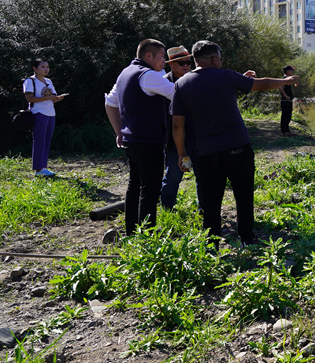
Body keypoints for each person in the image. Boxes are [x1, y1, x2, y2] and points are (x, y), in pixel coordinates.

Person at [171, 41, 300, 247]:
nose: (221, 61)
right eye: (220, 58)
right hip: (237, 148)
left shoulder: (181, 84)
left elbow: (178, 125)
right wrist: (286, 80)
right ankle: (246, 238)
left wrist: (181, 154)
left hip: (205, 153)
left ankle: (211, 244)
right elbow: (264, 84)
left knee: (211, 199)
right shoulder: (227, 76)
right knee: (243, 193)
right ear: (214, 59)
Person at [105, 39, 175, 236]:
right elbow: (177, 94)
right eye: (162, 56)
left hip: (131, 141)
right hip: (147, 141)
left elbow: (110, 103)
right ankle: (146, 238)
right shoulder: (148, 75)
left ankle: (132, 233)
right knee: (150, 190)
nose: (165, 61)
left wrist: (119, 132)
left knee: (134, 187)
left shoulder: (125, 73)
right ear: (148, 55)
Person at [160, 46, 199, 210]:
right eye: (181, 63)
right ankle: (167, 209)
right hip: (174, 140)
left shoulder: (196, 80)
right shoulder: (162, 83)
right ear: (171, 64)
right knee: (172, 177)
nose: (186, 66)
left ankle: (204, 210)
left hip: (198, 136)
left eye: (188, 62)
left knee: (203, 176)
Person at [24, 59, 66, 177]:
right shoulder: (30, 81)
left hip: (51, 113)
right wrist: (48, 98)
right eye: (43, 67)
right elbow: (30, 98)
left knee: (47, 141)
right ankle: (38, 169)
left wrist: (57, 98)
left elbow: (52, 97)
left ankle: (43, 167)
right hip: (38, 113)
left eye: (47, 67)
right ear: (35, 69)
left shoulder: (48, 81)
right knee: (39, 141)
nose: (46, 69)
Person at [278, 65, 297, 137]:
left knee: (289, 115)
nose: (292, 71)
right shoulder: (284, 79)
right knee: (285, 116)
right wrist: (286, 96)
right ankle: (283, 132)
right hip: (285, 100)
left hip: (289, 100)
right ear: (287, 71)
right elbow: (280, 87)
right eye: (291, 70)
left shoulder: (288, 79)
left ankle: (288, 130)